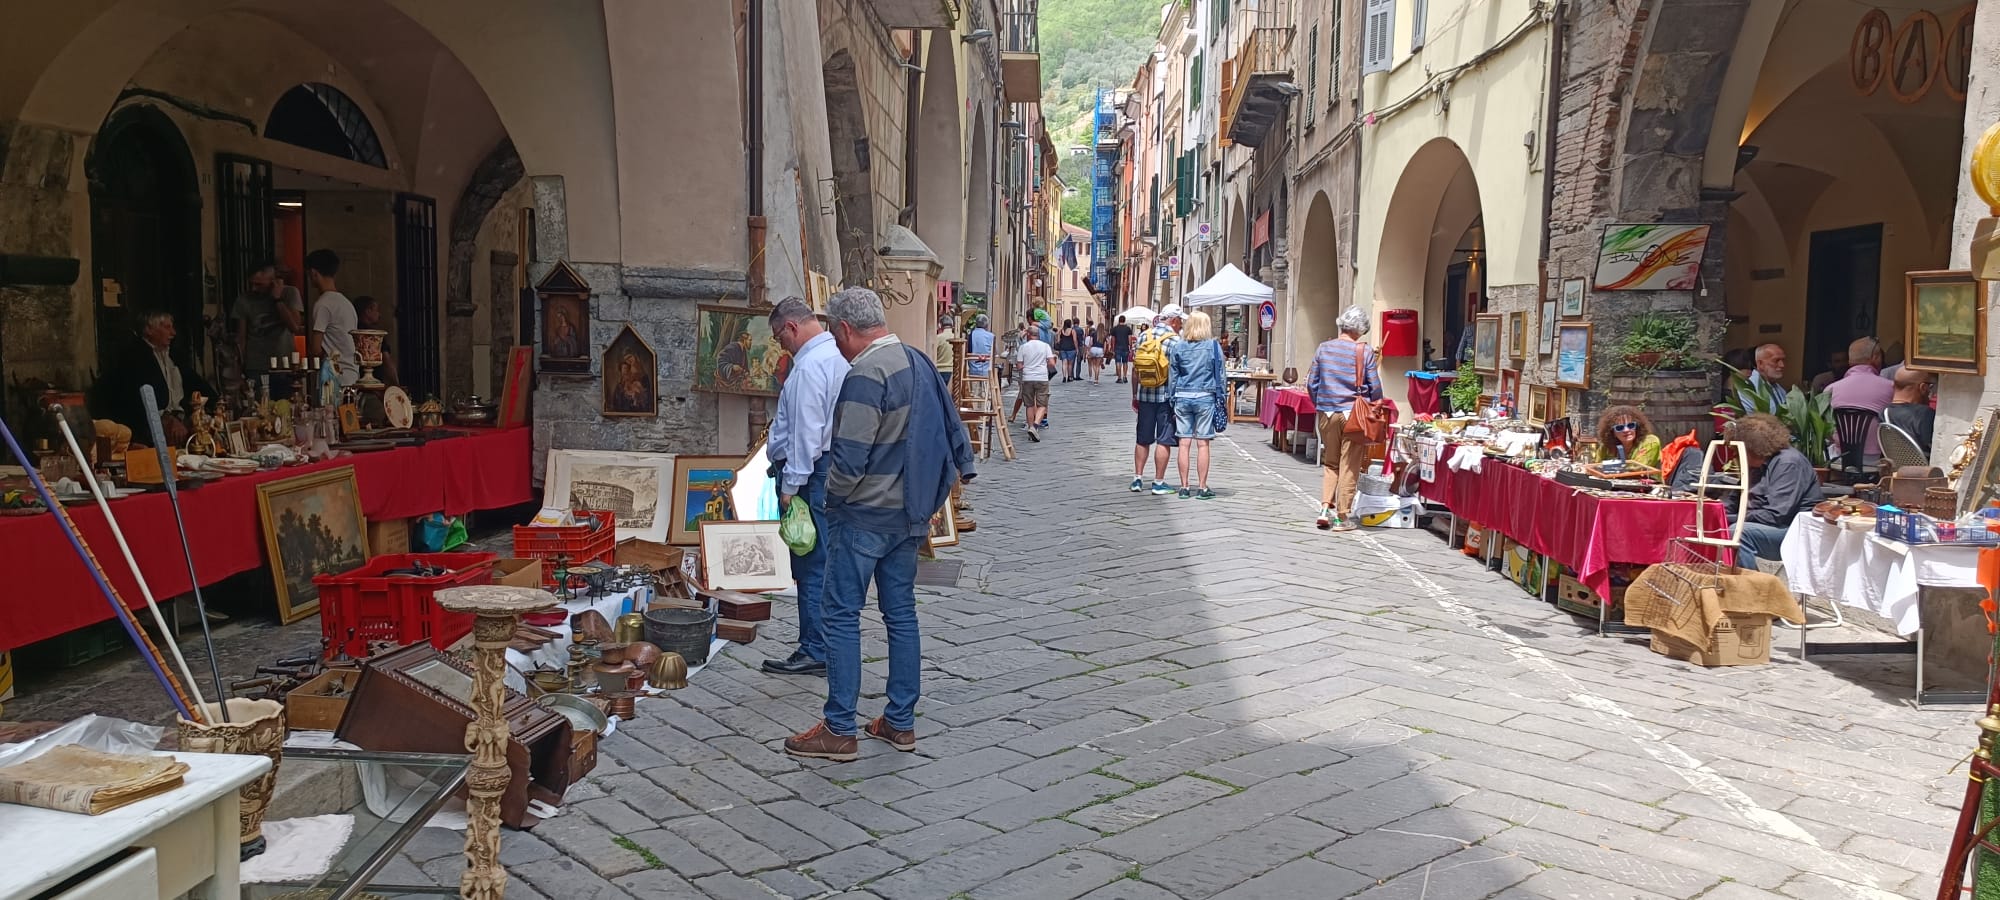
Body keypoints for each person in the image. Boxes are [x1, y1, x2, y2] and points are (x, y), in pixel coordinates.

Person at [783, 287, 975, 762]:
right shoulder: (918, 361)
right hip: (908, 515)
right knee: (900, 614)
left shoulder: (866, 373)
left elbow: (848, 458)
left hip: (865, 516)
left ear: (846, 329)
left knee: (842, 614)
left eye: (835, 333)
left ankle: (840, 728)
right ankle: (899, 722)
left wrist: (831, 500)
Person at [761, 298, 851, 678]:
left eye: (779, 335)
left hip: (810, 476)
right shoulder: (832, 359)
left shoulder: (812, 367)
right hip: (822, 472)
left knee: (810, 560)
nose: (780, 344)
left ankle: (815, 647)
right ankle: (822, 642)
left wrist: (791, 486)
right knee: (820, 560)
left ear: (792, 327)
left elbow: (806, 435)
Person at [1306, 307, 1382, 531]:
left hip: (1327, 413)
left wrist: (1320, 403)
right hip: (1353, 415)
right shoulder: (1364, 351)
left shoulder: (1323, 348)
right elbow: (1375, 386)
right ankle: (1341, 517)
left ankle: (1323, 509)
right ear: (1359, 329)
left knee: (1330, 463)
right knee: (1349, 464)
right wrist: (1375, 400)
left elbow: (1312, 383)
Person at [92, 310, 217, 446]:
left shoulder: (173, 355)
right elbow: (134, 398)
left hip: (180, 416)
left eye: (172, 327)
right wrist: (166, 418)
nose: (173, 333)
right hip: (148, 422)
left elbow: (194, 381)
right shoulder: (134, 356)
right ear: (149, 330)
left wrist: (217, 402)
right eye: (167, 327)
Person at [1734, 413, 1825, 569]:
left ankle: (1752, 589)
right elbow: (1734, 500)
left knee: (1736, 534)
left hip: (1794, 531)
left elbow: (1775, 515)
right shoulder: (1755, 465)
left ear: (1751, 448)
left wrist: (1731, 518)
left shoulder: (1788, 463)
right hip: (1769, 525)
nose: (1735, 455)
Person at [1168, 311, 1225, 499]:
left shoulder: (1179, 346)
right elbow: (1221, 376)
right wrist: (1222, 398)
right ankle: (1202, 487)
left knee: (1184, 443)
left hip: (1182, 397)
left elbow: (1173, 376)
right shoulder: (1214, 347)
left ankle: (1184, 487)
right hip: (1205, 397)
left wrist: (1172, 397)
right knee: (1203, 444)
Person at [1131, 305, 1184, 495]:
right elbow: (1178, 372)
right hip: (1166, 398)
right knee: (1164, 439)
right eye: (1180, 321)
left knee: (1142, 438)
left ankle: (1137, 478)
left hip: (1145, 394)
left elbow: (1135, 368)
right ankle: (1158, 482)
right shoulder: (1176, 341)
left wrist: (1135, 394)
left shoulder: (1144, 336)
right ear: (1174, 320)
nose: (1181, 325)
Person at [232, 260, 303, 384]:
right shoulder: (244, 299)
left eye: (259, 284)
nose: (254, 288)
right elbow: (241, 337)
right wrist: (238, 368)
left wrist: (277, 299)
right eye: (252, 284)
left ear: (273, 281)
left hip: (283, 364)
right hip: (256, 365)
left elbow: (295, 326)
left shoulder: (289, 293)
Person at [1825, 336, 1894, 458]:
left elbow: (1826, 430)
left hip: (1839, 460)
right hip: (1877, 460)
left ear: (1850, 361)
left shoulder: (1831, 390)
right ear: (1876, 357)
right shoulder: (1890, 388)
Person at [306, 249, 358, 387]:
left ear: (313, 273)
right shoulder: (346, 303)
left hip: (333, 378)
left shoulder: (323, 304)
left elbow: (316, 348)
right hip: (351, 374)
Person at [1014, 324, 1055, 442]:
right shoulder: (1045, 346)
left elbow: (1019, 365)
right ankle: (1035, 426)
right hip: (1042, 377)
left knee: (1029, 405)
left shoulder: (1023, 347)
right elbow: (1052, 363)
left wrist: (1026, 366)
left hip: (1027, 378)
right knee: (1042, 405)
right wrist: (1043, 365)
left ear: (1028, 335)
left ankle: (1031, 427)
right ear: (1038, 335)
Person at [1886, 366, 1936, 455]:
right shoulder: (1925, 414)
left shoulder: (1884, 412)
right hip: (1924, 467)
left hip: (1898, 464)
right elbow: (1935, 447)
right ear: (1923, 387)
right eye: (1929, 386)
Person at [1593, 405, 1662, 469]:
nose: (1626, 430)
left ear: (1637, 427)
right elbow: (1596, 467)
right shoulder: (1606, 447)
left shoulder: (1650, 442)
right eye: (1620, 427)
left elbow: (1637, 468)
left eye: (1631, 425)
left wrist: (1607, 467)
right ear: (1612, 432)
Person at [352, 296, 399, 387]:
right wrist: (396, 384)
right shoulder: (375, 336)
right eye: (376, 310)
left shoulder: (351, 332)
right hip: (373, 384)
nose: (379, 314)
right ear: (368, 311)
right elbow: (387, 361)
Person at [1740, 343, 1788, 409]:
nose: (1782, 365)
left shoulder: (1778, 388)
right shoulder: (1749, 388)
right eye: (1776, 360)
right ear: (1760, 364)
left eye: (1783, 360)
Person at [966, 314, 995, 400]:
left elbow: (967, 350)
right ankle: (985, 412)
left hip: (973, 369)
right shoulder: (991, 336)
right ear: (986, 325)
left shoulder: (970, 335)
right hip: (987, 370)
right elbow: (995, 352)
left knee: (974, 395)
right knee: (986, 396)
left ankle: (976, 410)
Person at [1110, 315, 1134, 383]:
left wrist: (1112, 347)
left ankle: (1119, 378)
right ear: (1124, 320)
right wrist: (1130, 346)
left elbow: (1113, 339)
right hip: (1125, 347)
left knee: (1118, 362)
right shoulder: (1128, 328)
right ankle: (1125, 377)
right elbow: (1130, 339)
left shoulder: (1115, 328)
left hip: (1117, 347)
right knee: (1125, 362)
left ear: (1119, 320)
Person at [1055, 318, 1078, 382]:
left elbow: (1058, 341)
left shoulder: (1061, 331)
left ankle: (1064, 377)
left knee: (1064, 363)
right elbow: (1075, 340)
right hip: (1071, 348)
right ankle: (1069, 376)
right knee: (1070, 364)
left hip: (1063, 348)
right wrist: (1076, 348)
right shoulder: (1072, 331)